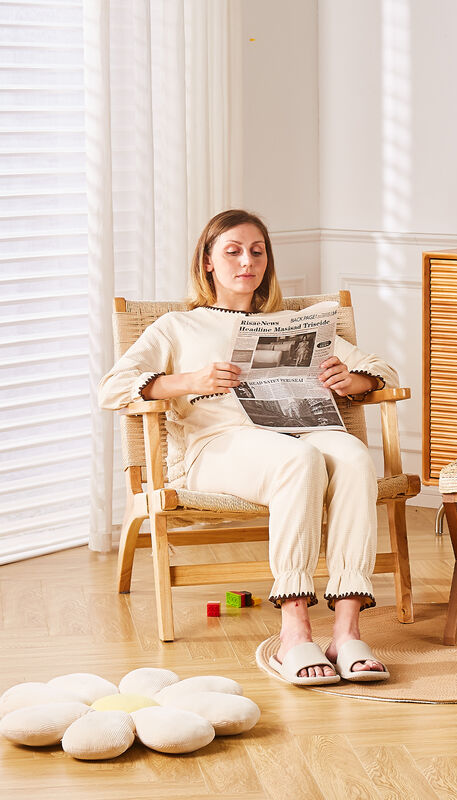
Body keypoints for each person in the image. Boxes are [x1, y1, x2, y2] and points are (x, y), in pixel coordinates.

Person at [98, 209, 395, 686]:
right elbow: (111, 388)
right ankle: (294, 631)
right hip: (217, 447)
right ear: (208, 261)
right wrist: (188, 381)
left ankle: (346, 631)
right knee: (300, 459)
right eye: (233, 251)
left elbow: (384, 370)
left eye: (257, 252)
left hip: (298, 432)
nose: (247, 262)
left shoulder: (296, 323)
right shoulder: (177, 326)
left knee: (355, 457)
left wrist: (352, 378)